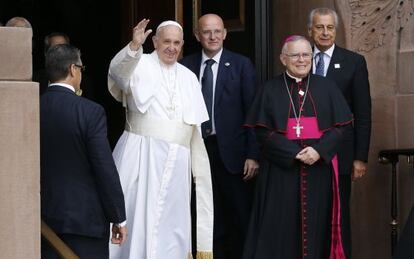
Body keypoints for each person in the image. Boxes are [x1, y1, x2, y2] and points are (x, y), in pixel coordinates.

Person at [107, 19, 213, 259]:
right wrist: (134, 46)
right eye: (166, 41)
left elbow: (193, 130)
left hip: (177, 168)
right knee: (137, 219)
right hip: (142, 159)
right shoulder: (139, 63)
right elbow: (117, 73)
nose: (172, 48)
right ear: (155, 42)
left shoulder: (189, 77)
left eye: (177, 43)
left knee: (171, 227)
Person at [242, 35, 353, 259]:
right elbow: (262, 131)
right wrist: (294, 154)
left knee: (318, 226)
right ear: (283, 59)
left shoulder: (327, 87)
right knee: (279, 228)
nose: (301, 60)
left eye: (306, 55)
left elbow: (343, 127)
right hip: (280, 174)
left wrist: (319, 151)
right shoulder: (269, 89)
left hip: (319, 172)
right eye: (295, 55)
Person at [180, 13, 259, 259]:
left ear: (225, 33)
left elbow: (253, 113)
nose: (213, 36)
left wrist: (253, 154)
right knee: (201, 213)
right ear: (197, 36)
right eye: (206, 32)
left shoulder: (241, 64)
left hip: (233, 154)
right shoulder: (185, 67)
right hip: (196, 152)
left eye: (217, 31)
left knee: (238, 215)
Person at [40, 44, 127, 258]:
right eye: (81, 68)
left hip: (42, 221)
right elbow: (103, 167)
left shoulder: (31, 106)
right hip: (84, 220)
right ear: (73, 69)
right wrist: (118, 217)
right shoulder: (90, 112)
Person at [308, 7, 372, 257]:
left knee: (338, 216)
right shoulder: (301, 58)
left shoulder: (354, 62)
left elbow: (363, 112)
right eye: (319, 27)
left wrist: (360, 157)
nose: (325, 33)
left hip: (341, 155)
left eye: (330, 27)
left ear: (336, 30)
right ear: (310, 30)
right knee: (309, 216)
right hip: (306, 152)